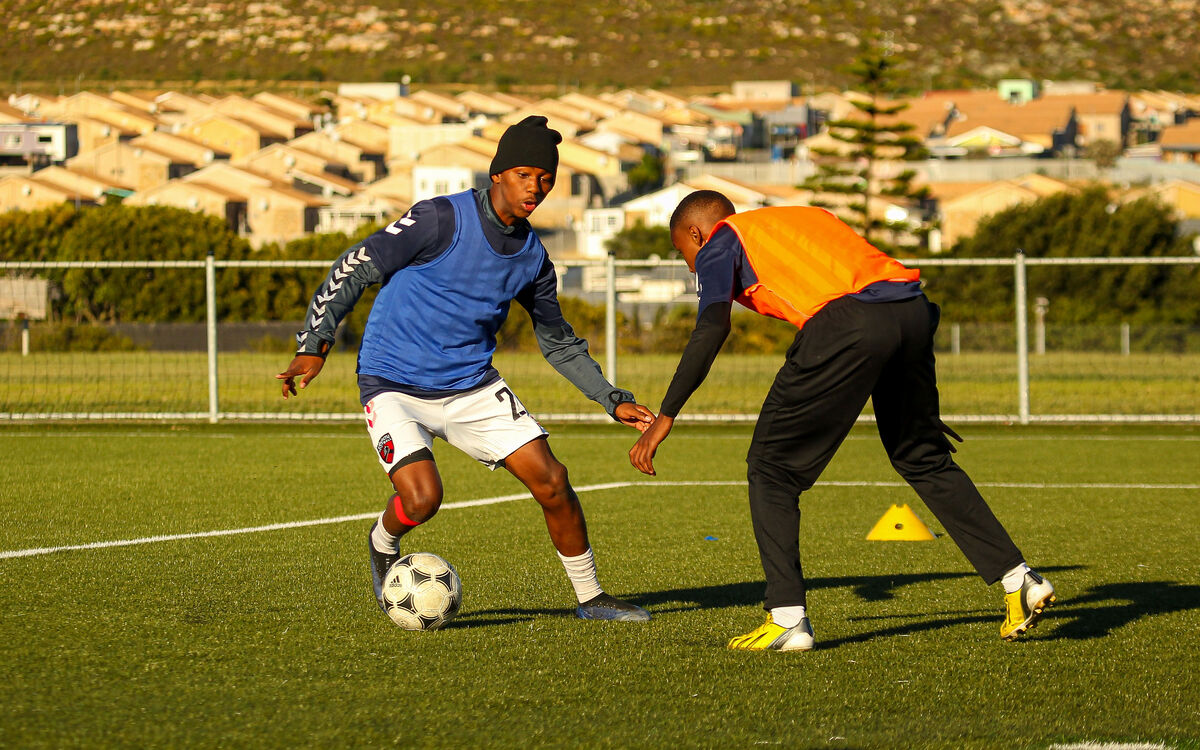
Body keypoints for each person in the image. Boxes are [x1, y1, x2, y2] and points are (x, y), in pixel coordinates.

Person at [629, 190, 1056, 650]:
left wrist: (666, 414)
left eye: (683, 252)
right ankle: (1019, 579)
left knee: (771, 469)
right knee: (922, 457)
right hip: (911, 311)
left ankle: (788, 618)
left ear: (695, 232)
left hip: (849, 322)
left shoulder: (721, 240)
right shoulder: (798, 218)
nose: (691, 265)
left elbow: (712, 326)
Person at [278, 116, 655, 623]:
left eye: (546, 179)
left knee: (553, 481)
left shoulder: (534, 259)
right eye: (525, 174)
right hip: (392, 382)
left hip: (471, 385)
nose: (536, 188)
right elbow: (358, 263)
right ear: (498, 173)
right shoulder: (440, 219)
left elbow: (559, 344)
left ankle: (591, 598)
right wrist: (315, 343)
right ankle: (382, 540)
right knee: (423, 497)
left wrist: (612, 398)